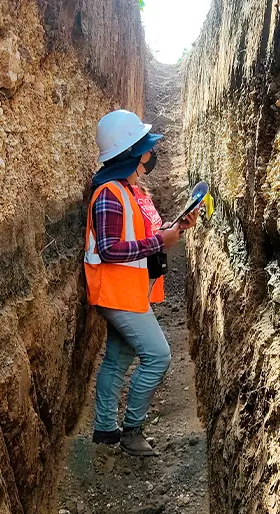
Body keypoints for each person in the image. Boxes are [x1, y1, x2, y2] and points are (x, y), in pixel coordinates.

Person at [84, 109, 198, 456]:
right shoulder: (109, 194)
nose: (151, 155)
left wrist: (177, 229)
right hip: (116, 293)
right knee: (158, 356)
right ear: (132, 153)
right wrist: (159, 243)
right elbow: (108, 249)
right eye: (146, 149)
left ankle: (105, 430)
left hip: (130, 291)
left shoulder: (132, 192)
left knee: (118, 358)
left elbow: (148, 233)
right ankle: (132, 431)